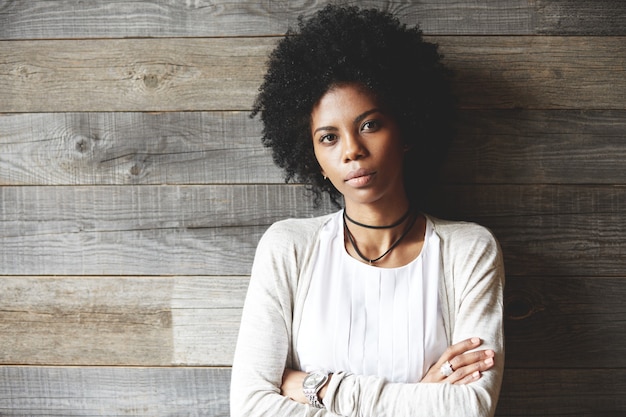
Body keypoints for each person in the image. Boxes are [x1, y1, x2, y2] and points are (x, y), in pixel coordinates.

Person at [230, 5, 504, 417]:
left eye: (370, 125)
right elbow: (251, 406)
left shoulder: (468, 250)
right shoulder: (288, 248)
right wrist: (420, 397)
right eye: (328, 137)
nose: (352, 150)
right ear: (313, 158)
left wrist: (315, 387)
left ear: (408, 128)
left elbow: (469, 408)